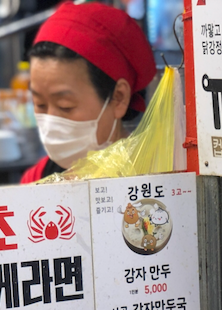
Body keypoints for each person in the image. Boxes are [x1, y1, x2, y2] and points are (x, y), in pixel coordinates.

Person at [21, 2, 155, 183]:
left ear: (118, 98)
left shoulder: (155, 177)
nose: (51, 120)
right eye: (40, 105)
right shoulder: (36, 179)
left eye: (65, 106)